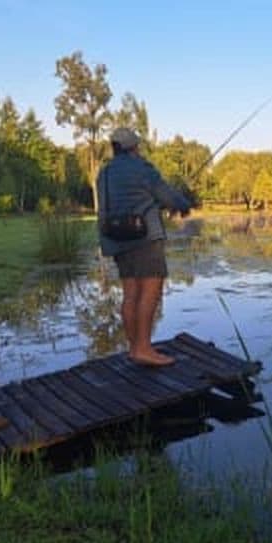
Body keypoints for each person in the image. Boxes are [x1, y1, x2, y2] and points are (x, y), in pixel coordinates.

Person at [97, 127, 191, 367]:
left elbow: (124, 202)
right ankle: (143, 349)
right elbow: (168, 196)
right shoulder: (142, 168)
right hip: (145, 239)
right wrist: (182, 204)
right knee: (150, 291)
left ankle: (135, 347)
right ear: (133, 147)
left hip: (116, 239)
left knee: (130, 295)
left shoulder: (104, 173)